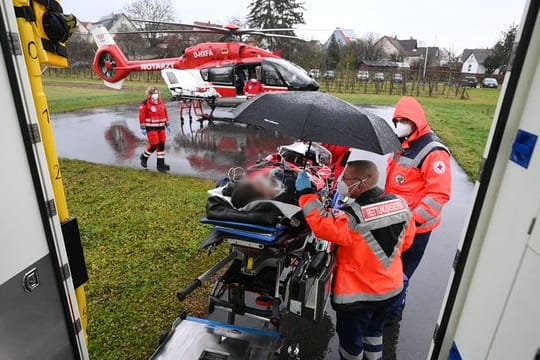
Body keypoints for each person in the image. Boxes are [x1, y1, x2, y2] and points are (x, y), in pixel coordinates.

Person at [295, 160, 416, 360]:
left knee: (351, 344)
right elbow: (407, 241)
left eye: (346, 178)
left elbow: (323, 224)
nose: (342, 182)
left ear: (361, 182)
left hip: (359, 297)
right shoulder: (401, 204)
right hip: (391, 290)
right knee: (374, 333)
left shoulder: (353, 217)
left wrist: (306, 194)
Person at [383, 96, 452, 358]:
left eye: (404, 121)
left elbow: (438, 196)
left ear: (417, 122)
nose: (399, 124)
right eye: (397, 120)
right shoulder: (403, 143)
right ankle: (387, 305)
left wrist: (410, 222)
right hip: (396, 223)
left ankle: (392, 314)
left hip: (416, 229)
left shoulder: (434, 152)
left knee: (402, 274)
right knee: (389, 268)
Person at [139, 87, 171, 172]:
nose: (155, 95)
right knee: (154, 144)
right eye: (154, 93)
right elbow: (142, 116)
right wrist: (143, 127)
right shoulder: (145, 104)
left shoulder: (161, 102)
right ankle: (144, 157)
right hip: (151, 127)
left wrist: (167, 123)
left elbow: (165, 112)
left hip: (161, 127)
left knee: (161, 145)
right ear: (149, 94)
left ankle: (161, 165)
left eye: (157, 93)